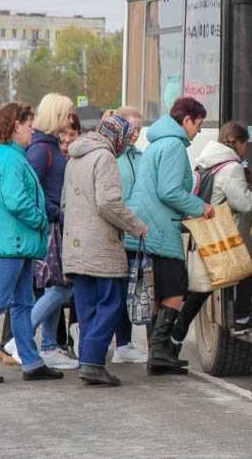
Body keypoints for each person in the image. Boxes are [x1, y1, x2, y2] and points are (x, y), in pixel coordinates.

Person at [0, 102, 62, 383]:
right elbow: (16, 200)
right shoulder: (10, 158)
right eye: (29, 124)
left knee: (21, 303)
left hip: (14, 242)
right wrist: (41, 219)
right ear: (16, 126)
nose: (33, 130)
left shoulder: (4, 155)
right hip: (13, 242)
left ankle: (31, 362)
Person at [125, 96, 215, 376]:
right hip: (160, 229)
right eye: (198, 124)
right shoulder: (174, 146)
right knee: (176, 288)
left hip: (146, 224)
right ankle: (161, 352)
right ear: (186, 119)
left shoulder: (155, 144)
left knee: (160, 291)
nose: (198, 131)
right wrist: (202, 208)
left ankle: (158, 353)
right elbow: (169, 191)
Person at [62, 115, 148, 386]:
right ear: (118, 137)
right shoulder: (105, 158)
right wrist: (136, 226)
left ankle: (90, 361)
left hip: (75, 245)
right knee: (111, 303)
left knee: (87, 308)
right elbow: (108, 202)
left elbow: (66, 203)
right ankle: (92, 362)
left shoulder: (75, 157)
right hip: (100, 245)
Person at [170, 122, 252, 345]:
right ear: (239, 143)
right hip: (217, 234)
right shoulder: (231, 167)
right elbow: (244, 203)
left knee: (202, 289)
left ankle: (172, 338)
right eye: (245, 144)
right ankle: (240, 318)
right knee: (244, 269)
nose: (245, 150)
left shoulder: (206, 160)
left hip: (202, 232)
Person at [26, 93, 78, 370]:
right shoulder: (41, 150)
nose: (71, 119)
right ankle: (21, 340)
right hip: (51, 228)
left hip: (56, 225)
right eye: (68, 113)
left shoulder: (48, 146)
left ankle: (47, 346)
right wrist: (58, 212)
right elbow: (31, 191)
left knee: (58, 285)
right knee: (62, 286)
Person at [106, 106, 147, 364]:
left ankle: (125, 343)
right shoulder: (111, 157)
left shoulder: (138, 156)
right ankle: (118, 344)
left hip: (134, 232)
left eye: (140, 130)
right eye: (132, 128)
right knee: (116, 291)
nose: (135, 134)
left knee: (129, 289)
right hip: (117, 232)